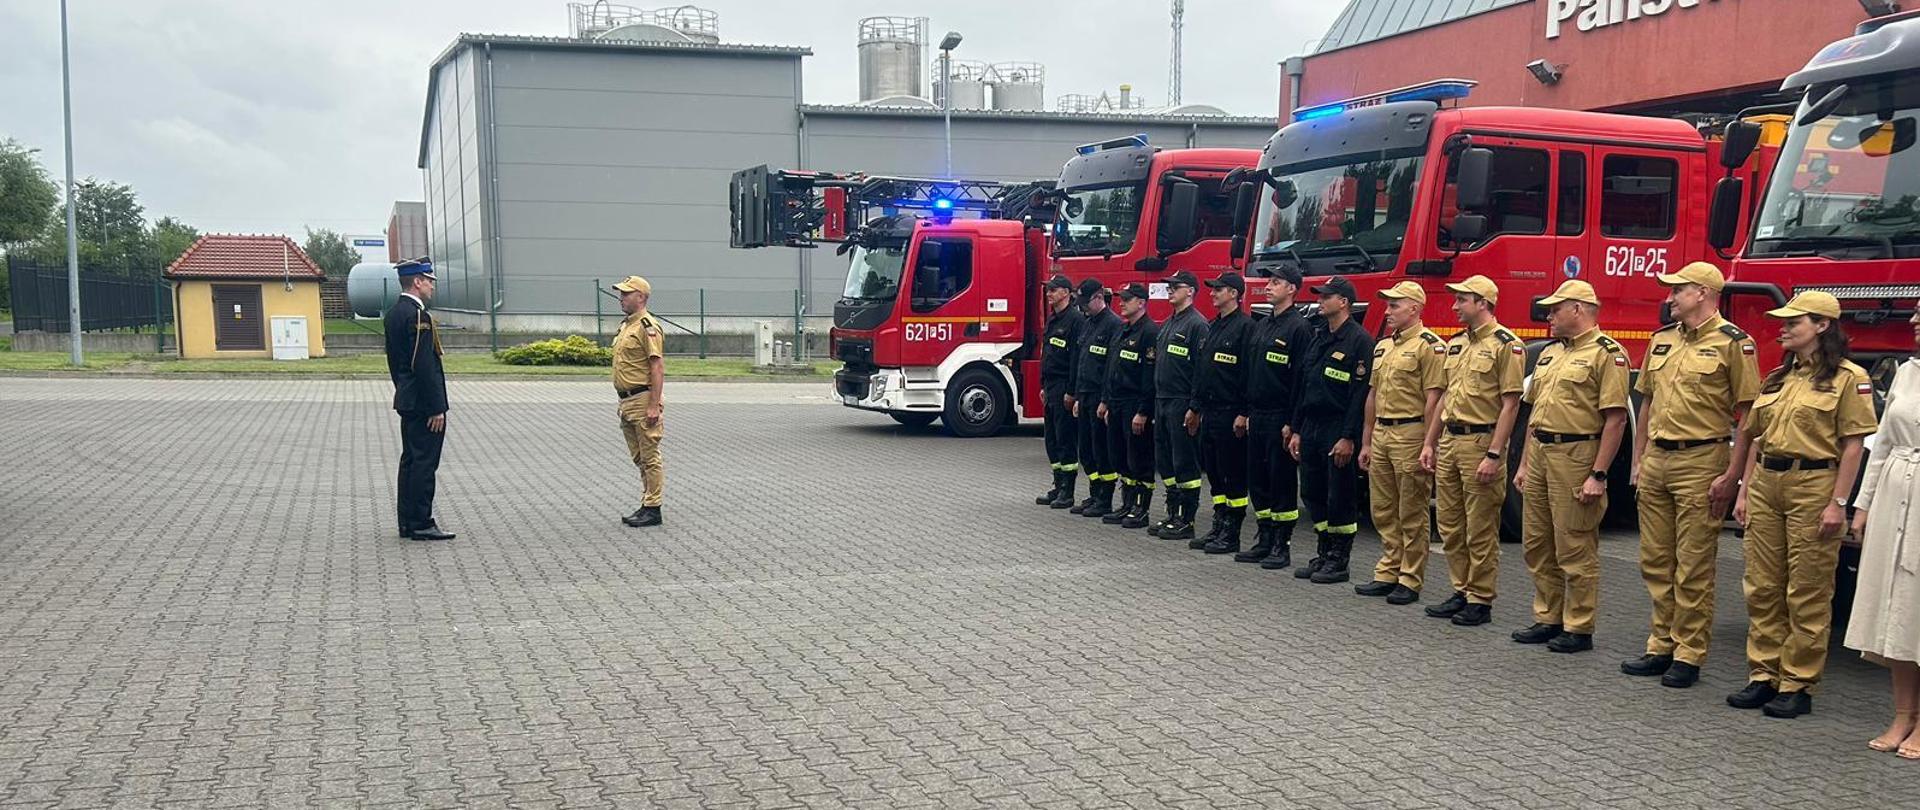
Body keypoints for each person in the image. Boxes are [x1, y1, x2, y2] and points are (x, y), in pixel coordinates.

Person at [1730, 291, 1876, 718]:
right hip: (1768, 483)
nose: (1784, 327)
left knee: (1807, 588)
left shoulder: (1849, 378)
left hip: (1814, 485)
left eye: (1795, 322)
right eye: (1784, 322)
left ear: (1823, 326)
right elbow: (1754, 437)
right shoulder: (1777, 378)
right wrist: (1743, 490)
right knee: (1762, 585)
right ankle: (1763, 675)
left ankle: (1797, 683)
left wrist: (1839, 503)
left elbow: (1853, 447)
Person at [1622, 262, 1759, 689]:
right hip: (1658, 461)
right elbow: (1646, 403)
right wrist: (1638, 458)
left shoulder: (1735, 343)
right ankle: (1660, 644)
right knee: (1656, 561)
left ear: (1702, 292)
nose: (1669, 298)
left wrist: (1735, 474)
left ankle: (1688, 652)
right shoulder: (1661, 340)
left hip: (1702, 460)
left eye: (1676, 291)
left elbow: (1749, 414)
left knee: (1694, 564)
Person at [1512, 279, 1629, 654]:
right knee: (1537, 541)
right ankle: (1548, 617)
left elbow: (1615, 420)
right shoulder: (1549, 354)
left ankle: (1578, 626)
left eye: (1555, 308)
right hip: (1543, 453)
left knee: (1574, 544)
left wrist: (1598, 474)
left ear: (1577, 309)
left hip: (1577, 455)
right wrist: (1525, 462)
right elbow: (1533, 416)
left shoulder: (1606, 354)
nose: (1549, 315)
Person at [1423, 275, 1523, 627]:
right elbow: (1445, 398)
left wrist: (1495, 454)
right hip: (1450, 440)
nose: (1453, 306)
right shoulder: (1456, 345)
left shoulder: (1505, 345)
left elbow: (1511, 405)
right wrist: (1430, 443)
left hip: (1480, 442)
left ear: (1482, 302)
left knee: (1480, 526)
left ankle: (1480, 599)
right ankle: (1461, 589)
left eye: (1461, 300)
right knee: (1450, 523)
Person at [1847, 309, 1920, 754]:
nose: (1914, 318)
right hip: (1896, 487)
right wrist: (1864, 504)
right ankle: (1901, 715)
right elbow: (1883, 444)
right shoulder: (1906, 372)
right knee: (1894, 604)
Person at [1356, 281, 1446, 604]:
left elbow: (1434, 399)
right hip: (1382, 432)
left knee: (1412, 509)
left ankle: (1410, 578)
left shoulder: (1429, 346)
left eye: (1395, 305)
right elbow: (1373, 395)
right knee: (1382, 508)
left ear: (1415, 308)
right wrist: (1366, 441)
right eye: (1388, 304)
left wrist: (1428, 443)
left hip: (1411, 432)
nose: (1388, 310)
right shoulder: (1383, 347)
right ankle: (1388, 570)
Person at [1288, 276, 1373, 584]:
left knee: (1340, 494)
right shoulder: (1319, 336)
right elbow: (1304, 385)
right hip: (1311, 425)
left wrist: (1348, 437)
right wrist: (1297, 429)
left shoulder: (1360, 341)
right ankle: (1323, 552)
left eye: (1327, 296)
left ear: (1344, 302)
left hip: (1337, 427)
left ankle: (1339, 559)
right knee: (1312, 491)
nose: (1321, 301)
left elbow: (1359, 395)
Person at [1240, 267, 1314, 569]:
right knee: (1258, 482)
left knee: (1280, 481)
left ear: (1293, 289)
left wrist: (1292, 422)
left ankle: (1281, 546)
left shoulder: (1299, 328)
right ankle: (1264, 538)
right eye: (1268, 282)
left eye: (1276, 282)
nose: (1268, 287)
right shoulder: (1263, 325)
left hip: (1279, 417)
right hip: (1257, 415)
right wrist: (1244, 412)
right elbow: (1250, 373)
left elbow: (1301, 380)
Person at [384, 257, 454, 542]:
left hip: (408, 399)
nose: (432, 286)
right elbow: (424, 365)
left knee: (411, 462)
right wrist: (436, 407)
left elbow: (396, 363)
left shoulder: (394, 313)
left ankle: (407, 522)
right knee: (424, 464)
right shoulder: (417, 316)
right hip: (424, 404)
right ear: (417, 281)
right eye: (429, 280)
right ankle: (422, 522)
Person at [1190, 271, 1255, 553]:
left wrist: (1243, 412)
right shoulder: (1213, 326)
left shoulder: (1246, 328)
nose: (1213, 293)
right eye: (1213, 289)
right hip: (1210, 412)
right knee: (1215, 473)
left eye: (1219, 289)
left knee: (1233, 473)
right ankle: (1219, 523)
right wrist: (1195, 408)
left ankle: (1233, 531)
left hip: (1231, 413)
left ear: (1234, 294)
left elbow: (1249, 375)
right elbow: (1201, 372)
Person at [1151, 270, 1211, 540]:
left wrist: (1195, 407)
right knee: (1166, 461)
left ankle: (1187, 519)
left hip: (1181, 402)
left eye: (1176, 287)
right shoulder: (1168, 324)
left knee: (1185, 462)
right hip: (1162, 400)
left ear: (1191, 291)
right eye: (1169, 287)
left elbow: (1201, 370)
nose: (1170, 290)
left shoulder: (1197, 325)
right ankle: (1173, 513)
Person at [1100, 283, 1161, 530]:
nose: (1121, 303)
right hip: (1117, 403)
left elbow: (1149, 377)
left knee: (1139, 459)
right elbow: (1111, 368)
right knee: (1120, 457)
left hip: (1135, 405)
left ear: (1141, 302)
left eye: (1127, 299)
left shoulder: (1149, 332)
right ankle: (1126, 503)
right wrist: (1105, 400)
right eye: (1120, 299)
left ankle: (1140, 508)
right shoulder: (1123, 330)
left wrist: (1143, 411)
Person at [612, 275, 668, 528]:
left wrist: (654, 404)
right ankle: (647, 501)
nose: (621, 298)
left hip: (643, 398)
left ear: (641, 297)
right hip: (628, 401)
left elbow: (657, 367)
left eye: (626, 293)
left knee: (650, 456)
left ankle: (653, 508)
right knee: (639, 457)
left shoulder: (648, 326)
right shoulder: (626, 326)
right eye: (621, 293)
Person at [1070, 279, 1124, 518]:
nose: (1082, 307)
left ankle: (1105, 498)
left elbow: (1111, 368)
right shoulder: (1088, 324)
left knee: (1102, 450)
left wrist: (1105, 400)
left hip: (1100, 397)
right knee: (1087, 449)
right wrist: (1079, 396)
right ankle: (1095, 493)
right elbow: (1083, 363)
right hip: (1086, 395)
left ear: (1099, 297)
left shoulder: (1113, 325)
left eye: (1086, 302)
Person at [1038, 275, 1086, 508]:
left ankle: (1068, 490)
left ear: (1067, 292)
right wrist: (1042, 385)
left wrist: (1071, 391)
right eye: (1048, 290)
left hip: (1064, 386)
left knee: (1066, 439)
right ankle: (1058, 485)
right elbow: (1047, 354)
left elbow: (1076, 360)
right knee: (1052, 439)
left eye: (1054, 290)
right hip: (1050, 386)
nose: (1049, 294)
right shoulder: (1053, 320)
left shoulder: (1075, 320)